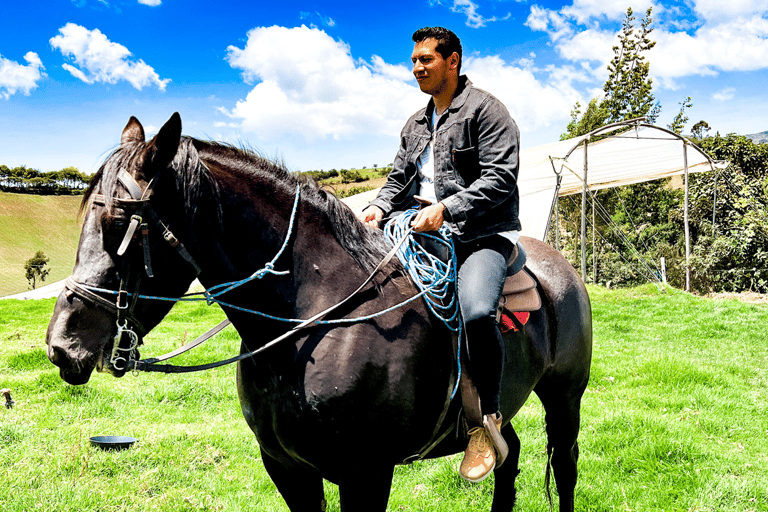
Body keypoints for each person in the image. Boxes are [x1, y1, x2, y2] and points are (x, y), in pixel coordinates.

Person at [357, 26, 521, 483]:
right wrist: (376, 207)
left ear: (453, 61)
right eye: (413, 61)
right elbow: (396, 179)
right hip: (412, 229)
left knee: (476, 310)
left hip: (477, 235)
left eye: (426, 59)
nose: (416, 68)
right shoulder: (414, 123)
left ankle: (488, 421)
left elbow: (500, 179)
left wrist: (446, 209)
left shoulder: (488, 112)